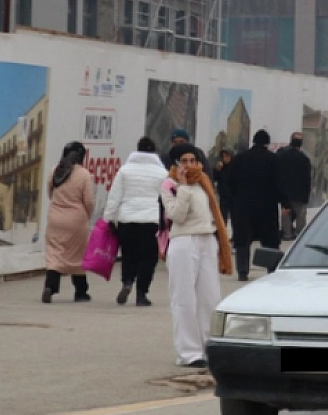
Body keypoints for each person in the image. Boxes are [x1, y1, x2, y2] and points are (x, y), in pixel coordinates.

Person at [161, 144, 233, 368]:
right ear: (176, 163)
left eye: (193, 160)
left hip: (207, 239)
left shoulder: (203, 181)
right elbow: (177, 215)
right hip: (183, 241)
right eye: (184, 161)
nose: (189, 165)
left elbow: (213, 213)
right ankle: (189, 352)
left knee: (209, 297)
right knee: (184, 298)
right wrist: (183, 187)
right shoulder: (169, 184)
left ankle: (209, 347)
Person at [103, 137, 168, 306]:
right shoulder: (162, 173)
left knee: (129, 255)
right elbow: (167, 199)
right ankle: (141, 294)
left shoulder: (125, 170)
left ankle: (127, 282)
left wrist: (108, 218)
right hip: (152, 220)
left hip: (127, 219)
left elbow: (114, 196)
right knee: (148, 258)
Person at [225, 130, 282, 281]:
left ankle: (242, 271)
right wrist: (284, 203)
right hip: (267, 207)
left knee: (242, 241)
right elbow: (279, 183)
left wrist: (235, 200)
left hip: (243, 207)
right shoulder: (273, 159)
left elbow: (230, 182)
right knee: (270, 241)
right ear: (267, 142)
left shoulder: (240, 158)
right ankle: (272, 270)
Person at [43, 141, 95, 303]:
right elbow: (89, 201)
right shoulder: (84, 175)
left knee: (55, 253)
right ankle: (80, 292)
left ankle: (50, 286)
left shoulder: (55, 170)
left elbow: (50, 193)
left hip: (55, 217)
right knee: (78, 254)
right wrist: (86, 215)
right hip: (76, 219)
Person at [276, 132, 313, 240]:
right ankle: (300, 236)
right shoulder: (304, 158)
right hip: (300, 193)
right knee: (300, 216)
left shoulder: (282, 155)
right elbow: (307, 178)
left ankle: (287, 234)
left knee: (286, 214)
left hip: (285, 191)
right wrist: (306, 195)